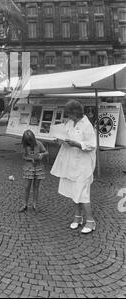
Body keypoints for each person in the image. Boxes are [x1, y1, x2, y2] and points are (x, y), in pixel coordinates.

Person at [50, 100, 96, 234]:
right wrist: (59, 139)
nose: (68, 116)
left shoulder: (87, 125)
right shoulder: (70, 122)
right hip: (71, 163)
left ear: (75, 112)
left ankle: (91, 221)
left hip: (83, 165)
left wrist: (76, 144)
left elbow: (92, 145)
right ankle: (77, 217)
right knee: (73, 191)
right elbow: (65, 136)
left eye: (69, 113)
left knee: (82, 193)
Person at [19, 130, 48, 212]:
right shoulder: (25, 146)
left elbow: (46, 152)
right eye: (27, 142)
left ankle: (35, 204)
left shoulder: (39, 143)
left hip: (38, 167)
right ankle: (25, 204)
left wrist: (42, 154)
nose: (29, 143)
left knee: (36, 186)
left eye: (30, 141)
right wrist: (30, 159)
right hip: (29, 168)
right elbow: (24, 156)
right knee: (27, 186)